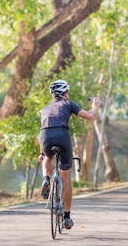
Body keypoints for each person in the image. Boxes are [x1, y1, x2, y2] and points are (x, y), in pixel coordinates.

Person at [39, 79, 101, 230]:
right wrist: (95, 107)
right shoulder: (69, 104)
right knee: (66, 178)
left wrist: (41, 152)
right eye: (67, 91)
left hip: (45, 137)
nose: (68, 94)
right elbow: (89, 116)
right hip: (62, 135)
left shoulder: (45, 109)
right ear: (64, 93)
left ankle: (46, 178)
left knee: (47, 157)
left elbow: (45, 129)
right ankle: (67, 217)